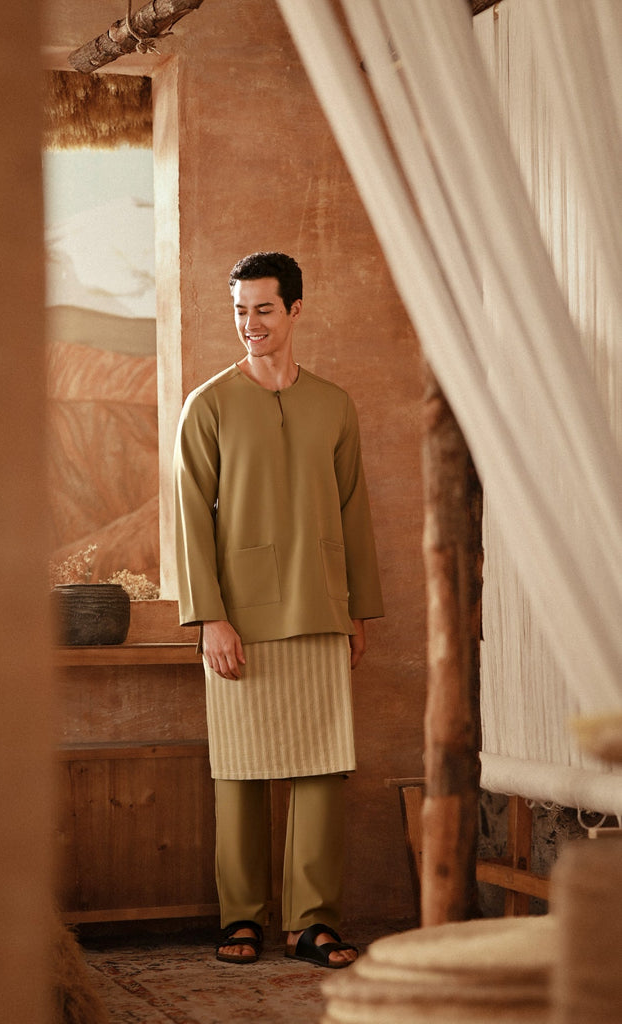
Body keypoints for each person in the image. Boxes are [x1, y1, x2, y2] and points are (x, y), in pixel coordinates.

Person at [173, 251, 383, 969]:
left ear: (295, 309)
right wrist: (210, 619)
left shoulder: (334, 404)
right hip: (238, 616)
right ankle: (242, 918)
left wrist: (358, 611)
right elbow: (189, 520)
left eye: (263, 308)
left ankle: (312, 924)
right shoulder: (207, 405)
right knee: (240, 769)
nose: (250, 323)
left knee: (322, 766)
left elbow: (354, 511)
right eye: (240, 310)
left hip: (321, 604)